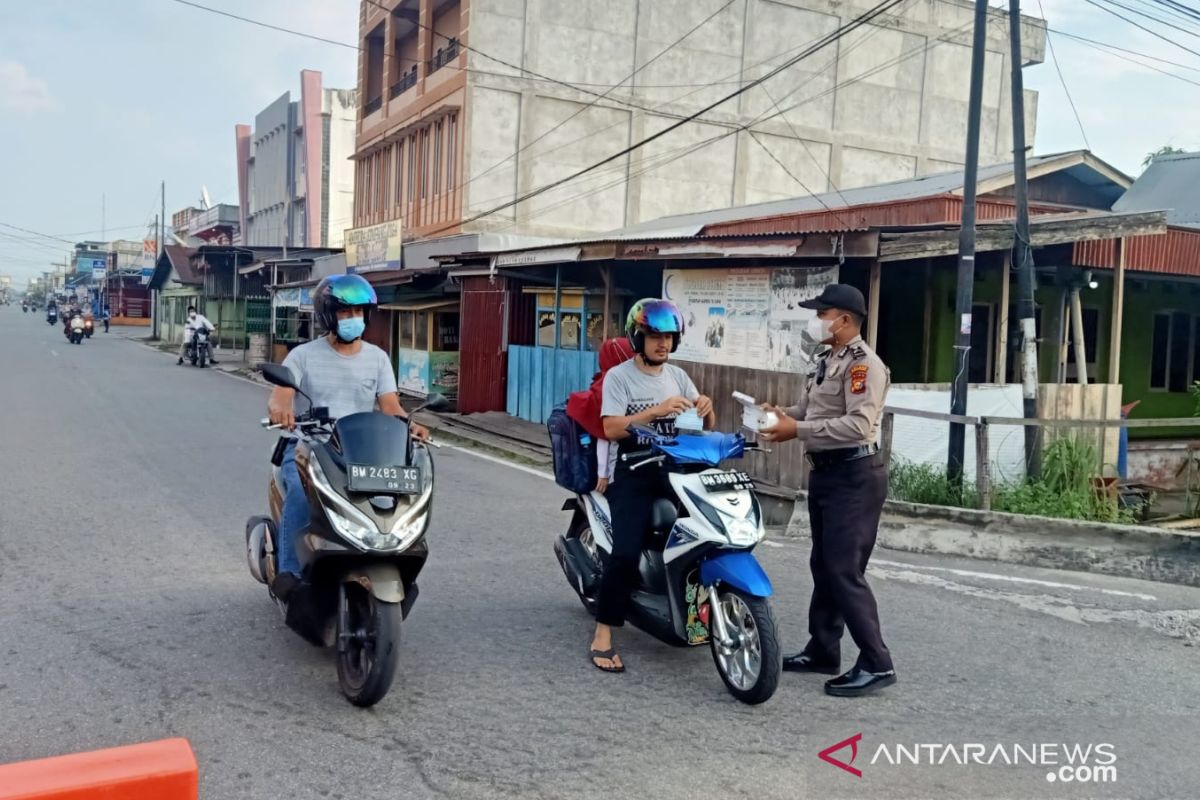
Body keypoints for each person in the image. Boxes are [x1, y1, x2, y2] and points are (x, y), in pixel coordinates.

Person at [758, 284, 895, 698]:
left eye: (823, 313)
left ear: (845, 320)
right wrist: (782, 415)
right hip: (826, 474)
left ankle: (877, 662)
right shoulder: (828, 358)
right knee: (823, 564)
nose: (817, 321)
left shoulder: (864, 366)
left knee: (843, 570)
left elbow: (857, 426)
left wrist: (795, 430)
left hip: (855, 475)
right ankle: (824, 648)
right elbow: (812, 410)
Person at [265, 274, 429, 601]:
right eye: (344, 312)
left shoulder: (377, 358)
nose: (353, 319)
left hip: (355, 449)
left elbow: (391, 407)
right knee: (301, 493)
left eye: (358, 312)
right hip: (306, 446)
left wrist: (410, 426)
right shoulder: (303, 356)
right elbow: (281, 394)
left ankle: (386, 556)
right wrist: (281, 408)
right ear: (328, 315)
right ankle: (290, 574)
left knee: (395, 493)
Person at [589, 299, 715, 673]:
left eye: (669, 337)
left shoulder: (678, 376)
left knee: (706, 534)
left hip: (676, 469)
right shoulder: (619, 377)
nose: (663, 343)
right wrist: (655, 412)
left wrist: (706, 407)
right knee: (625, 552)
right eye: (655, 336)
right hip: (634, 470)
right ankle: (603, 632)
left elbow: (702, 427)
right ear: (637, 337)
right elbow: (610, 428)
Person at [566, 337, 635, 494]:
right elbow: (604, 435)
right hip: (616, 466)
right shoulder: (610, 387)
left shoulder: (605, 383)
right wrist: (603, 474)